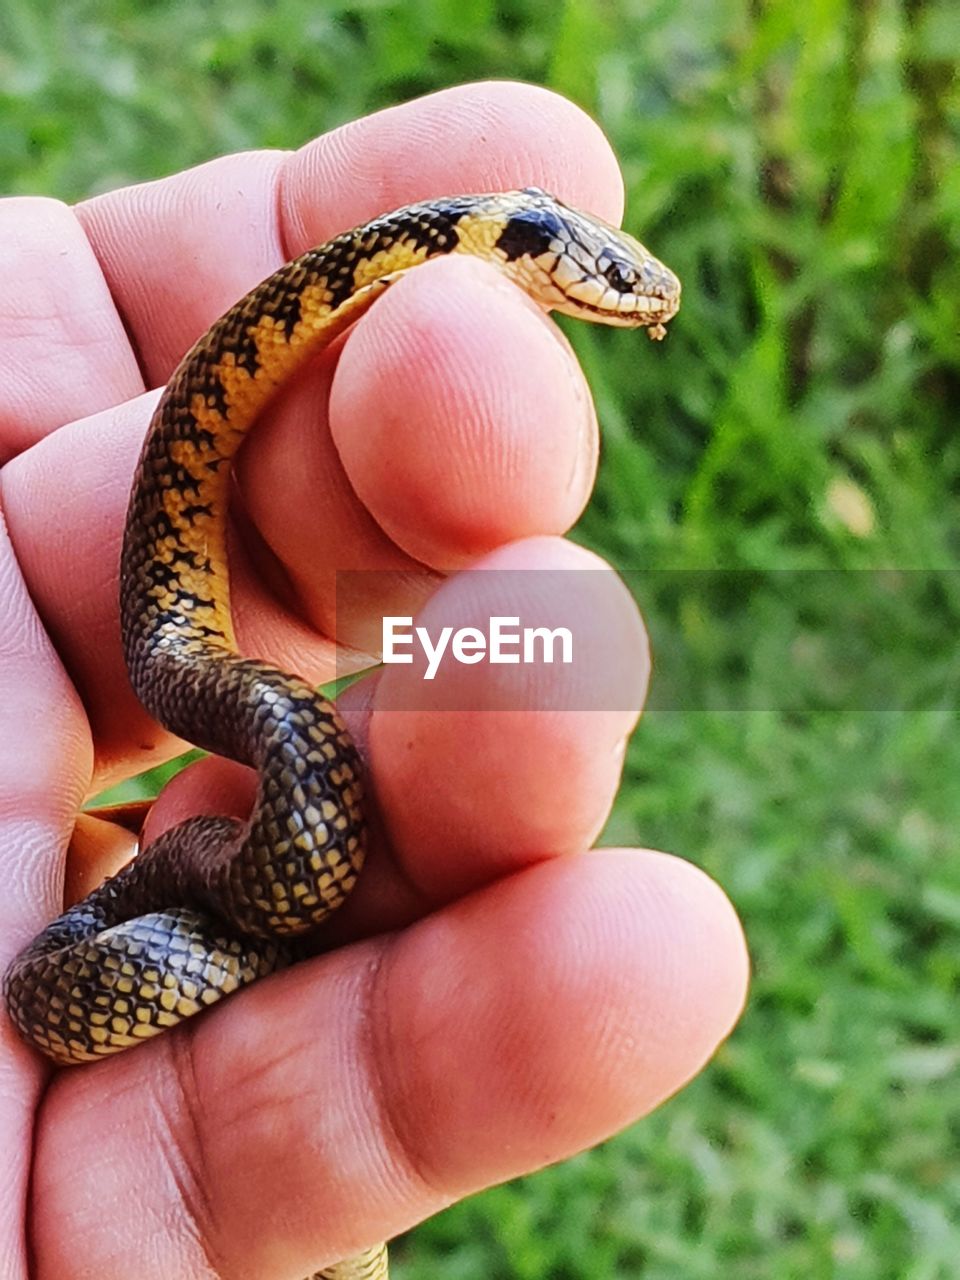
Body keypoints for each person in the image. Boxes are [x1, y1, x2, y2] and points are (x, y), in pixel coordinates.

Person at [0, 81, 748, 1278]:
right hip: (189, 753)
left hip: (198, 827)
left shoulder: (411, 263)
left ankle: (207, 900)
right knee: (233, 810)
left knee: (235, 826)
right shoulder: (370, 262)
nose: (631, 294)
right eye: (608, 274)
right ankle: (206, 912)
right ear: (514, 242)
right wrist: (243, 921)